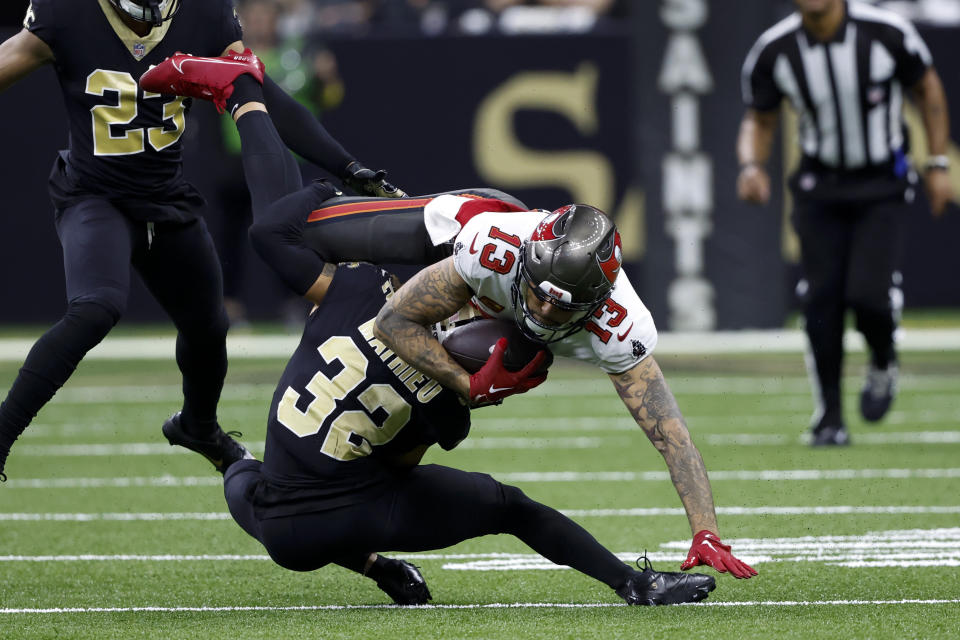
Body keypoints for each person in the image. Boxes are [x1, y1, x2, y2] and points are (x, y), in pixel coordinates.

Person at [141, 45, 758, 582]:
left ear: (597, 302)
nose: (543, 306)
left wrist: (705, 530)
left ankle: (251, 88)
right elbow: (394, 324)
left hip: (464, 312)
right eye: (539, 290)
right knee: (275, 235)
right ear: (531, 261)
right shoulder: (493, 248)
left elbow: (671, 435)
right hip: (448, 237)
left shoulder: (619, 325)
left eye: (561, 304)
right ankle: (245, 90)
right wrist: (468, 384)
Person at [0, 0, 401, 481]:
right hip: (95, 195)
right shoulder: (67, 12)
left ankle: (198, 426)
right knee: (95, 306)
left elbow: (261, 93)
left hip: (167, 199)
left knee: (209, 327)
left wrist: (346, 166)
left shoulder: (203, 13)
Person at [737, 0, 953, 445]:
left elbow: (928, 88)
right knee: (821, 299)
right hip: (819, 188)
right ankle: (830, 414)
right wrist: (751, 166)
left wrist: (936, 162)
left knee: (868, 295)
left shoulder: (886, 33)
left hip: (881, 184)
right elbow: (760, 116)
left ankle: (881, 358)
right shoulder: (775, 49)